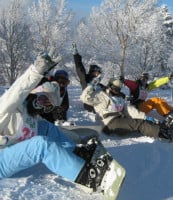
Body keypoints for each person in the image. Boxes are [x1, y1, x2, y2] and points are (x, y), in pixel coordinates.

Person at [0, 48, 111, 192]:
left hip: (12, 156)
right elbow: (17, 91)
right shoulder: (9, 107)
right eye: (42, 99)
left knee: (47, 128)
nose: (43, 106)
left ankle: (78, 155)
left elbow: (56, 131)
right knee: (41, 145)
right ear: (33, 94)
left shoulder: (32, 118)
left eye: (48, 106)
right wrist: (36, 71)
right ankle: (87, 179)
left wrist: (79, 140)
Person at [80, 78, 173, 143]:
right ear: (110, 87)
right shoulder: (101, 96)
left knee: (142, 120)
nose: (117, 91)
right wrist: (91, 85)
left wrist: (145, 116)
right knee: (138, 124)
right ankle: (164, 134)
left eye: (119, 89)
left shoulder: (119, 97)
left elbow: (129, 110)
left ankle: (164, 126)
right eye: (115, 89)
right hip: (109, 123)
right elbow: (84, 98)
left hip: (120, 119)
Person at [72, 43, 105, 113]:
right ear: (92, 72)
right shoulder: (85, 80)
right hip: (90, 104)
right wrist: (75, 55)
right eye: (97, 72)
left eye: (99, 72)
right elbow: (80, 69)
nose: (98, 74)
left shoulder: (100, 84)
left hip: (100, 103)